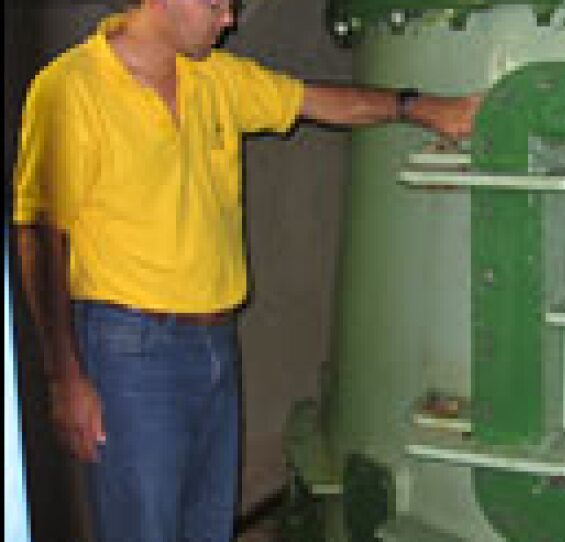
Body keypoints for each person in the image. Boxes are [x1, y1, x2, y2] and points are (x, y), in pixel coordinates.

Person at [11, 0, 480, 540]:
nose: (229, 20)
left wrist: (423, 109)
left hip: (214, 348)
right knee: (143, 528)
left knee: (208, 525)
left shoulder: (215, 79)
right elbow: (41, 237)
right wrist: (64, 378)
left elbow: (318, 101)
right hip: (131, 357)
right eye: (218, 4)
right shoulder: (70, 89)